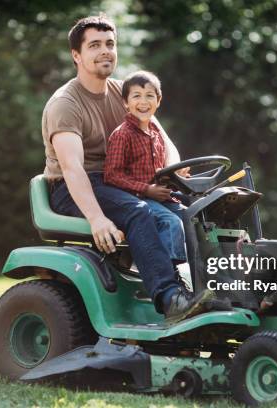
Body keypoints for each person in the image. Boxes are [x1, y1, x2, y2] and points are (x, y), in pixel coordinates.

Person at [41, 15, 216, 323]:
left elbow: (164, 141)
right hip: (74, 188)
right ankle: (170, 298)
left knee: (203, 208)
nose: (105, 51)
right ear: (76, 55)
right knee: (140, 212)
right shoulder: (65, 104)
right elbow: (72, 168)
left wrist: (171, 174)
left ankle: (222, 289)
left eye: (110, 44)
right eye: (95, 45)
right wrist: (96, 218)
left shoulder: (125, 92)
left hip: (120, 183)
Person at [104, 70, 187, 268]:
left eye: (150, 96)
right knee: (170, 222)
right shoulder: (122, 135)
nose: (143, 101)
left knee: (195, 218)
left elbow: (158, 171)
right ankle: (171, 276)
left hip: (160, 197)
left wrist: (175, 176)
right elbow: (111, 175)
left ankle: (204, 274)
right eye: (136, 96)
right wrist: (146, 189)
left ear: (158, 101)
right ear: (125, 102)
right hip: (136, 199)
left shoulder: (156, 132)